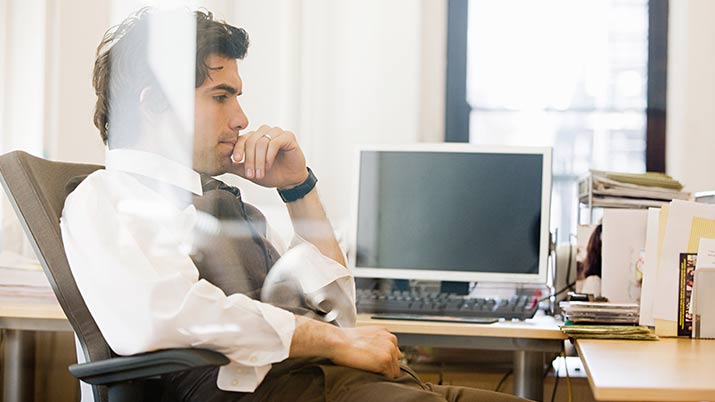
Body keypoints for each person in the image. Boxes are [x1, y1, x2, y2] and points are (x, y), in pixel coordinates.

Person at [61, 7, 529, 402]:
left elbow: (340, 309)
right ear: (154, 105)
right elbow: (164, 317)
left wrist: (298, 189)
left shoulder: (226, 205)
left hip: (345, 384)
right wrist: (333, 342)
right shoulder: (108, 197)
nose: (241, 119)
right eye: (220, 97)